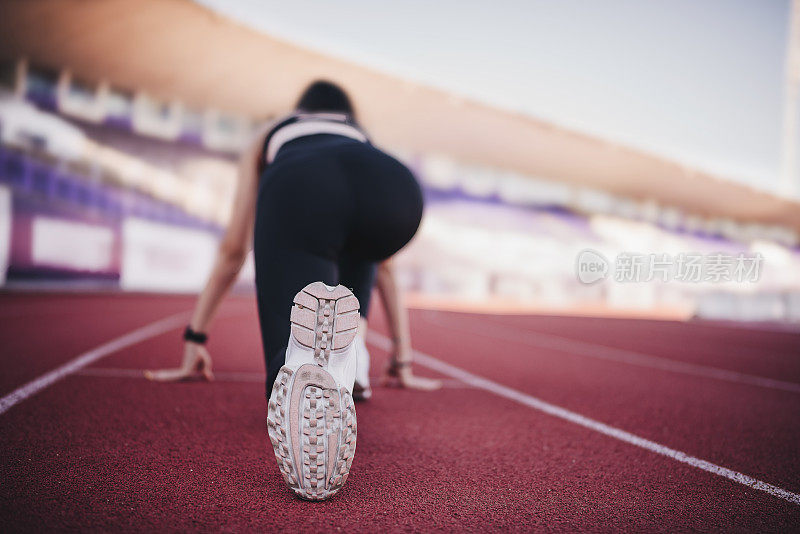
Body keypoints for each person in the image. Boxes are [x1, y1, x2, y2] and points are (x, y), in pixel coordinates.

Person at [145, 80, 441, 500]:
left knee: (293, 357)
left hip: (301, 186)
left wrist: (195, 337)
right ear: (345, 113)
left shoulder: (272, 132)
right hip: (394, 190)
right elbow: (386, 265)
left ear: (299, 108)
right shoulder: (359, 133)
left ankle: (308, 362)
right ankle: (352, 350)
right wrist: (403, 359)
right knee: (361, 247)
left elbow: (233, 250)